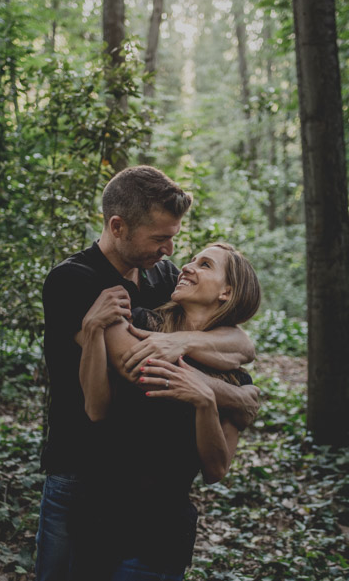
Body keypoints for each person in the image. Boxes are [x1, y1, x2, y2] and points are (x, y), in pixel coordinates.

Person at [36, 166, 260, 581]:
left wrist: (184, 343)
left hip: (155, 495)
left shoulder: (164, 276)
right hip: (80, 471)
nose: (170, 249)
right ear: (117, 226)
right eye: (160, 237)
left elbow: (243, 345)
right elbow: (137, 367)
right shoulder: (74, 279)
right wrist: (231, 398)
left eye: (173, 236)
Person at [79, 242, 262, 580]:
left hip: (158, 537)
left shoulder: (236, 378)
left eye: (204, 264)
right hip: (97, 516)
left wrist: (205, 401)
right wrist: (92, 332)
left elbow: (216, 469)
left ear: (227, 292)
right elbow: (95, 408)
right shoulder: (139, 324)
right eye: (191, 260)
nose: (187, 268)